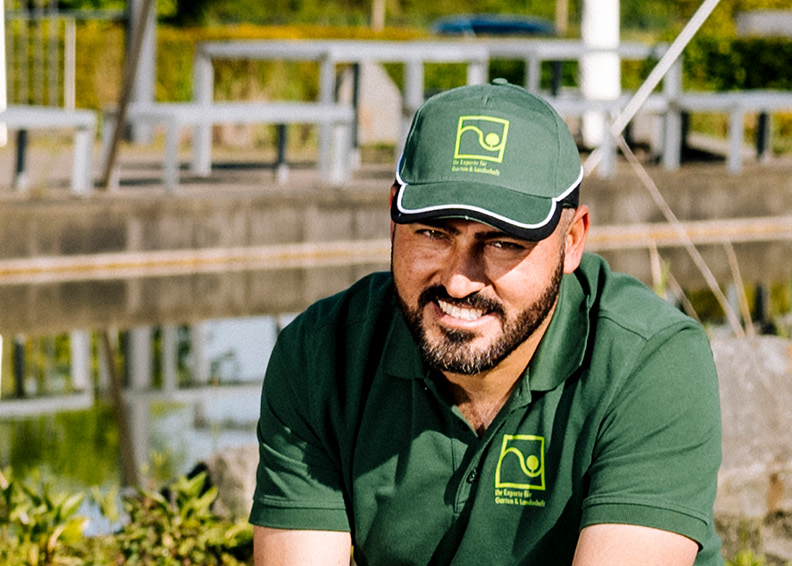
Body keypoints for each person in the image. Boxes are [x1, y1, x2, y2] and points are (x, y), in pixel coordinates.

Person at [251, 79, 724, 566]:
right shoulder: (319, 353)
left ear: (573, 242)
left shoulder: (651, 361)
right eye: (434, 232)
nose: (458, 281)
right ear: (393, 221)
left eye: (503, 243)